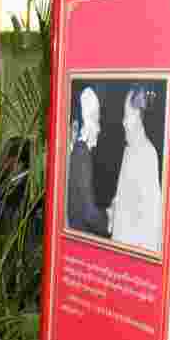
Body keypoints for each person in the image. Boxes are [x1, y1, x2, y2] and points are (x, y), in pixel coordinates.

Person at [109, 85, 163, 253]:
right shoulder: (128, 150)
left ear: (140, 119)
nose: (124, 122)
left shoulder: (147, 154)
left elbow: (152, 220)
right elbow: (122, 197)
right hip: (119, 248)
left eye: (128, 116)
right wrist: (113, 209)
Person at [67, 87, 110, 237]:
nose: (99, 129)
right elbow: (89, 214)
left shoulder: (77, 151)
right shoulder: (82, 153)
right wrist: (110, 223)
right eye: (96, 121)